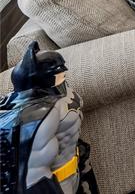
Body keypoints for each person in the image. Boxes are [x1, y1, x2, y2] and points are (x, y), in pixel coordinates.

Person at [0, 42, 98, 193]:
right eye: (58, 73)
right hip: (58, 184)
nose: (62, 75)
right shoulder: (36, 116)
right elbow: (34, 173)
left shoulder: (61, 90)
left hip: (75, 169)